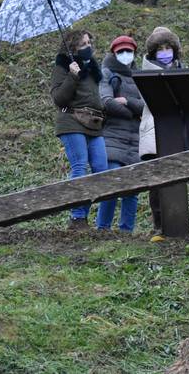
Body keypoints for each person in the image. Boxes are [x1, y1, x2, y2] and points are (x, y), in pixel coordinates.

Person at [50, 29, 112, 230]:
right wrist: (72, 76)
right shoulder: (63, 66)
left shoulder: (92, 67)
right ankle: (78, 218)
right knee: (80, 166)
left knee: (101, 168)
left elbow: (95, 97)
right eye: (84, 44)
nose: (89, 47)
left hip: (94, 123)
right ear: (73, 47)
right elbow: (59, 99)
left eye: (89, 42)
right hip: (71, 121)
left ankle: (86, 217)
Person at [96, 36, 144, 233]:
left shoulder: (140, 76)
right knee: (111, 186)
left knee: (132, 189)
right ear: (113, 53)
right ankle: (102, 228)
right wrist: (132, 112)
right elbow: (105, 101)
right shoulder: (106, 73)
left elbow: (147, 106)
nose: (125, 55)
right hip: (112, 137)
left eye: (129, 51)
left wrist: (128, 103)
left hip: (137, 139)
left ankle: (126, 230)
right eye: (121, 51)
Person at [139, 26, 184, 231]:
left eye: (168, 48)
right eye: (160, 49)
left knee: (177, 179)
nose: (165, 53)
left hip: (176, 133)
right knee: (156, 183)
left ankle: (178, 222)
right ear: (153, 52)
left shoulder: (182, 71)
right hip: (153, 133)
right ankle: (159, 225)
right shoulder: (144, 74)